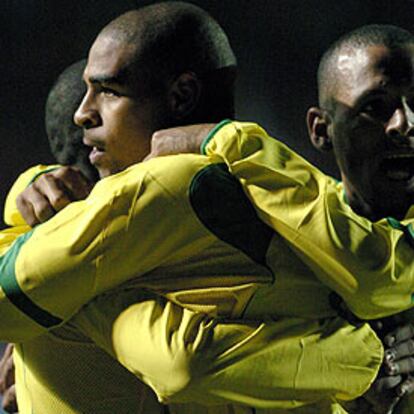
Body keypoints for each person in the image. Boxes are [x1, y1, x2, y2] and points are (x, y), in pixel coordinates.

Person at [1, 11, 413, 414]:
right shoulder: (289, 208)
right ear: (320, 130)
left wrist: (69, 302)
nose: (405, 124)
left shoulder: (222, 194)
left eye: (109, 91)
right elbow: (186, 365)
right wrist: (362, 362)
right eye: (375, 107)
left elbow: (378, 272)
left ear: (183, 95)